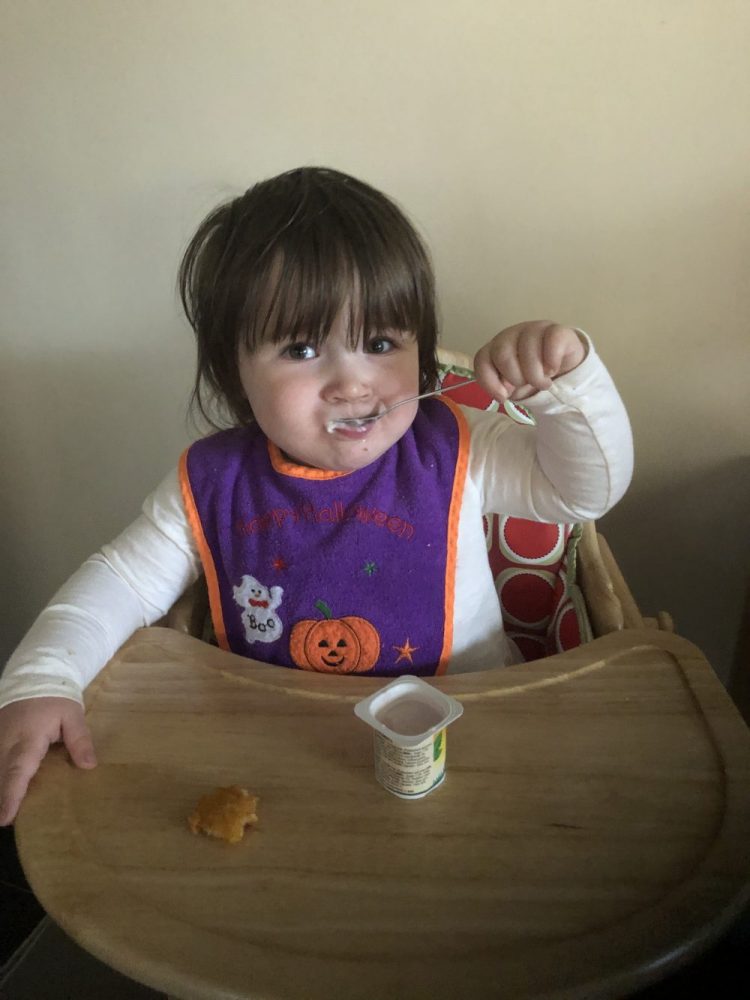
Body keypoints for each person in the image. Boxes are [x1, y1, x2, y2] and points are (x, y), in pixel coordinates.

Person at [0, 167, 633, 824]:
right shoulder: (211, 483)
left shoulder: (459, 445)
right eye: (301, 347)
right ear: (233, 373)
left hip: (466, 741)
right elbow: (118, 586)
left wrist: (571, 386)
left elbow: (582, 492)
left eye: (382, 343)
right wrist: (41, 682)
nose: (352, 383)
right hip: (280, 761)